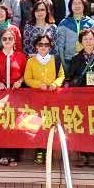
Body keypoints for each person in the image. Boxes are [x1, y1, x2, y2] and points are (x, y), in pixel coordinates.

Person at [65, 29, 94, 168]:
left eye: (91, 39)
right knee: (81, 126)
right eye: (85, 39)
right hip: (80, 97)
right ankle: (82, 155)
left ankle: (92, 155)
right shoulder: (76, 58)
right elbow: (69, 78)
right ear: (81, 42)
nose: (88, 41)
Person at [23, 33, 65, 165]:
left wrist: (55, 84)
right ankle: (39, 151)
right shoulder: (31, 61)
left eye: (46, 44)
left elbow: (62, 75)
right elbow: (27, 79)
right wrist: (38, 84)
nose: (43, 47)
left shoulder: (55, 60)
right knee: (38, 124)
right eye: (40, 44)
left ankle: (49, 151)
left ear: (50, 46)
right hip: (37, 100)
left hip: (52, 99)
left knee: (51, 125)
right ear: (36, 46)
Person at [0, 30, 27, 167]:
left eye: (10, 38)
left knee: (15, 123)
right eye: (4, 38)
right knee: (0, 124)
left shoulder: (21, 56)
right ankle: (1, 154)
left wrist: (20, 81)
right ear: (1, 41)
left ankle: (14, 155)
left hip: (16, 95)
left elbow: (25, 74)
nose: (7, 41)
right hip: (0, 94)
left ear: (14, 40)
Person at [55, 0, 94, 72]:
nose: (77, 6)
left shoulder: (91, 23)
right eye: (74, 3)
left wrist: (91, 60)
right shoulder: (64, 23)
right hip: (68, 61)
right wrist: (63, 65)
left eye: (79, 3)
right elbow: (60, 46)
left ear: (84, 5)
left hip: (87, 62)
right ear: (70, 6)